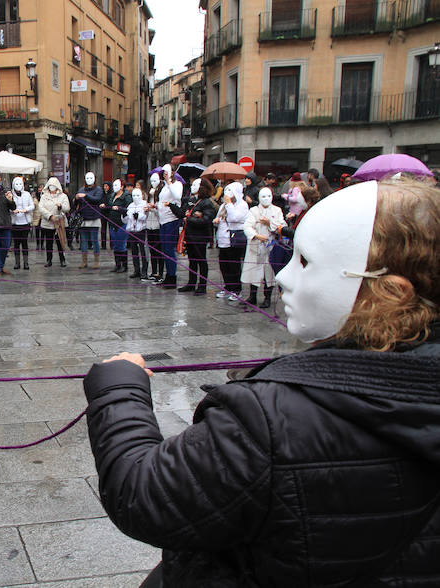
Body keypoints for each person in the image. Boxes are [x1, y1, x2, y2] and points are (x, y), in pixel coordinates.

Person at [83, 178, 440, 588]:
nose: (284, 277)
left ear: (390, 294)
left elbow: (144, 494)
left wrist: (118, 391)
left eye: (305, 262)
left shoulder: (271, 420)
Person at [241, 187, 286, 309]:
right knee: (253, 271)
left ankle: (267, 298)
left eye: (269, 196)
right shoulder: (253, 210)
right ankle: (252, 296)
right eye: (263, 196)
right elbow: (247, 226)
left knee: (269, 272)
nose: (266, 199)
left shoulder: (277, 210)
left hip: (270, 246)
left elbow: (282, 226)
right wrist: (256, 235)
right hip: (256, 246)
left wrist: (270, 224)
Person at [178, 178, 217, 295]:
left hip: (200, 236)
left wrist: (190, 219)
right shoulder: (194, 200)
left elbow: (206, 220)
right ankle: (191, 283)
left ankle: (202, 285)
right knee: (192, 260)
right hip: (190, 235)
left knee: (201, 260)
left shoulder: (207, 202)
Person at [213, 181, 249, 301]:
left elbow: (235, 218)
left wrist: (229, 204)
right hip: (222, 238)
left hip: (233, 239)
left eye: (230, 191)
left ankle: (236, 289)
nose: (227, 194)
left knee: (234, 265)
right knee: (224, 265)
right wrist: (217, 220)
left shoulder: (242, 205)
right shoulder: (224, 205)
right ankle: (228, 287)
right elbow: (220, 216)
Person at [156, 164, 183, 288]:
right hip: (162, 220)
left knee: (169, 249)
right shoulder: (164, 187)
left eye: (167, 172)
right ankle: (168, 275)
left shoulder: (177, 185)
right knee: (165, 249)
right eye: (164, 173)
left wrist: (169, 182)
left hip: (171, 220)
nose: (165, 174)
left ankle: (172, 276)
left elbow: (177, 196)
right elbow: (162, 201)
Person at [37, 177, 69, 268]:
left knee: (60, 242)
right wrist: (50, 216)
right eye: (50, 185)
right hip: (48, 223)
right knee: (49, 243)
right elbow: (41, 208)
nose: (52, 187)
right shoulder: (44, 196)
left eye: (53, 185)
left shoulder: (63, 196)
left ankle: (62, 259)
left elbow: (67, 208)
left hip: (59, 223)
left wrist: (61, 206)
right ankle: (49, 260)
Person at [75, 171, 104, 269]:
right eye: (87, 178)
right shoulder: (81, 189)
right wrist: (76, 198)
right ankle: (84, 261)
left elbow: (97, 199)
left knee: (94, 240)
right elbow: (76, 203)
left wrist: (86, 196)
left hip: (94, 218)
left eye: (91, 178)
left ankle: (96, 261)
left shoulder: (99, 189)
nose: (89, 180)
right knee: (83, 241)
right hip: (83, 218)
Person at [104, 179, 130, 273]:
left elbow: (128, 209)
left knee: (121, 244)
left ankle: (124, 265)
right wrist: (105, 206)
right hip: (112, 222)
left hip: (122, 223)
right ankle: (117, 265)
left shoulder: (126, 197)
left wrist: (119, 208)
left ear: (122, 186)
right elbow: (109, 206)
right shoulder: (112, 196)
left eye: (117, 185)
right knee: (115, 244)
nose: (114, 187)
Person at [10, 176, 34, 270]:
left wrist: (26, 209)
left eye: (20, 184)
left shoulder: (27, 194)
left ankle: (26, 262)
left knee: (24, 243)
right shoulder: (10, 194)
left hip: (25, 222)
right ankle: (17, 263)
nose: (18, 186)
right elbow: (7, 206)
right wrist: (13, 210)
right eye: (16, 184)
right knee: (16, 243)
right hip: (15, 222)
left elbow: (32, 205)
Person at [124, 188, 148, 279]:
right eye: (134, 195)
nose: (136, 197)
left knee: (143, 251)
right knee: (134, 251)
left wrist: (139, 216)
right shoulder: (130, 205)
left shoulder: (145, 204)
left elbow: (147, 217)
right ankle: (136, 270)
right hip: (132, 231)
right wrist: (124, 215)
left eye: (138, 195)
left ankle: (144, 271)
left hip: (141, 230)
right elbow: (126, 219)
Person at [145, 175, 163, 282]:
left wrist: (153, 208)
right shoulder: (150, 194)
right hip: (149, 225)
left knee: (158, 250)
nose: (153, 182)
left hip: (157, 225)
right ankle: (154, 271)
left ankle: (160, 273)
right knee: (151, 249)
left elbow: (161, 212)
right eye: (151, 181)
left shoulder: (160, 196)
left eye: (155, 181)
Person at [100, 181, 112, 250]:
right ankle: (103, 245)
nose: (105, 188)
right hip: (103, 213)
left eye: (107, 186)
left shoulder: (111, 194)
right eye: (104, 186)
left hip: (109, 213)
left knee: (110, 229)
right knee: (103, 230)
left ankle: (112, 244)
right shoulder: (102, 194)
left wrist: (106, 205)